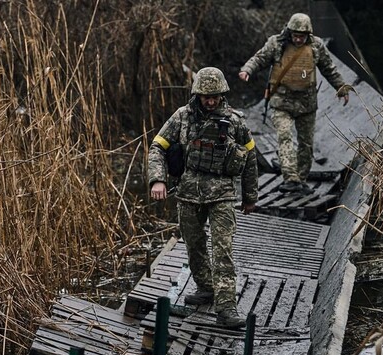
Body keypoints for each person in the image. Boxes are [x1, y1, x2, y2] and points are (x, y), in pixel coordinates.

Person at [147, 67, 258, 328]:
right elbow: (157, 147)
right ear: (197, 95)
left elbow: (250, 157)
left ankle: (226, 308)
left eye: (215, 97)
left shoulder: (235, 121)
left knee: (223, 250)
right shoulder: (181, 117)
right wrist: (158, 179)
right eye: (206, 97)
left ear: (222, 95)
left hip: (222, 194)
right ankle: (206, 287)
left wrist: (250, 196)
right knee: (194, 245)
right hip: (188, 192)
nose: (210, 102)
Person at [238, 12, 352, 194]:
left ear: (308, 34)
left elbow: (329, 69)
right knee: (284, 137)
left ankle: (301, 179)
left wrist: (341, 88)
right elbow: (259, 58)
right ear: (289, 32)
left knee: (306, 144)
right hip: (281, 102)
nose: (298, 39)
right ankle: (290, 178)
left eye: (302, 36)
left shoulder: (316, 46)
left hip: (306, 104)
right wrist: (247, 70)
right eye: (295, 35)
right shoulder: (276, 44)